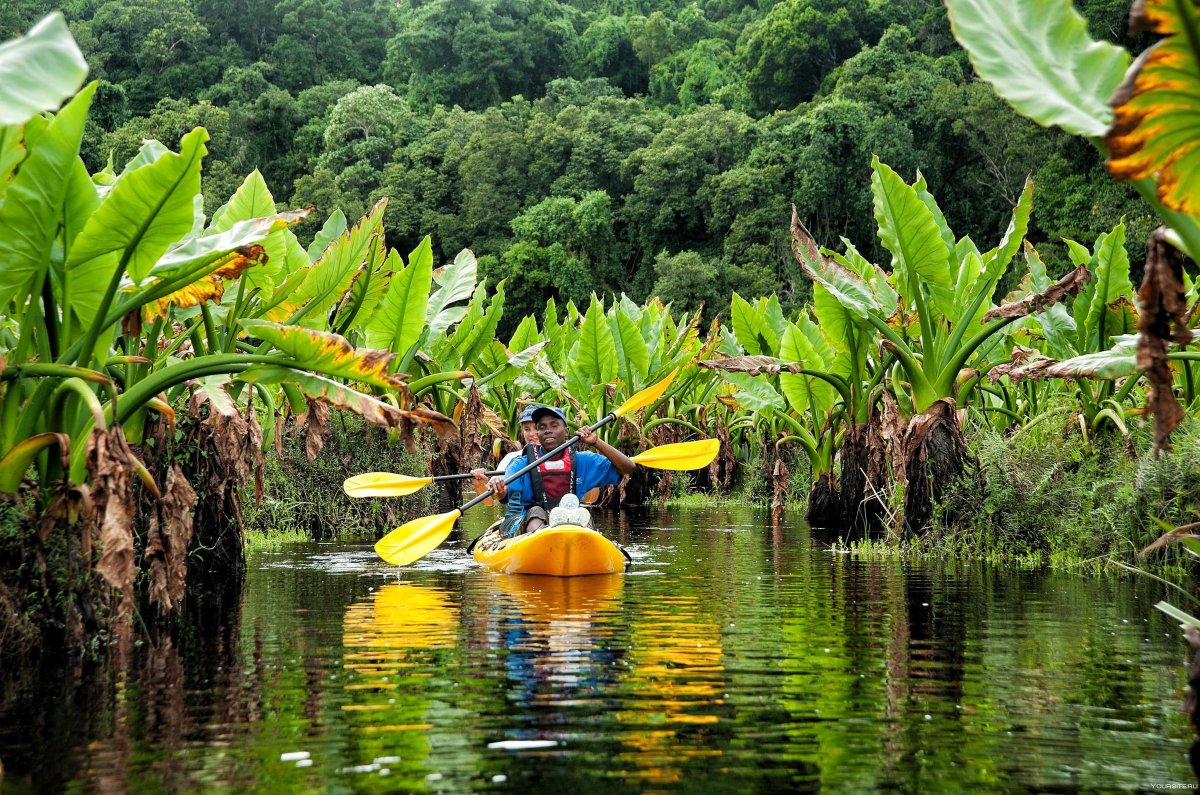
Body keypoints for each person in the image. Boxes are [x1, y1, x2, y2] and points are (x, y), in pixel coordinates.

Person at [488, 406, 635, 537]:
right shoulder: (521, 464)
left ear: (566, 431)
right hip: (532, 522)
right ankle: (540, 546)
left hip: (571, 518)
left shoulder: (584, 461)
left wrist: (596, 442)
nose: (547, 430)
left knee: (584, 515)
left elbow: (628, 468)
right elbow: (504, 494)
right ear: (539, 433)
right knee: (536, 513)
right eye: (542, 427)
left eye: (554, 425)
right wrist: (498, 487)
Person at [471, 404, 539, 504]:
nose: (532, 434)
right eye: (527, 429)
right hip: (519, 515)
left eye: (537, 428)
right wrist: (480, 485)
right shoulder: (513, 458)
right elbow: (489, 501)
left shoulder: (563, 455)